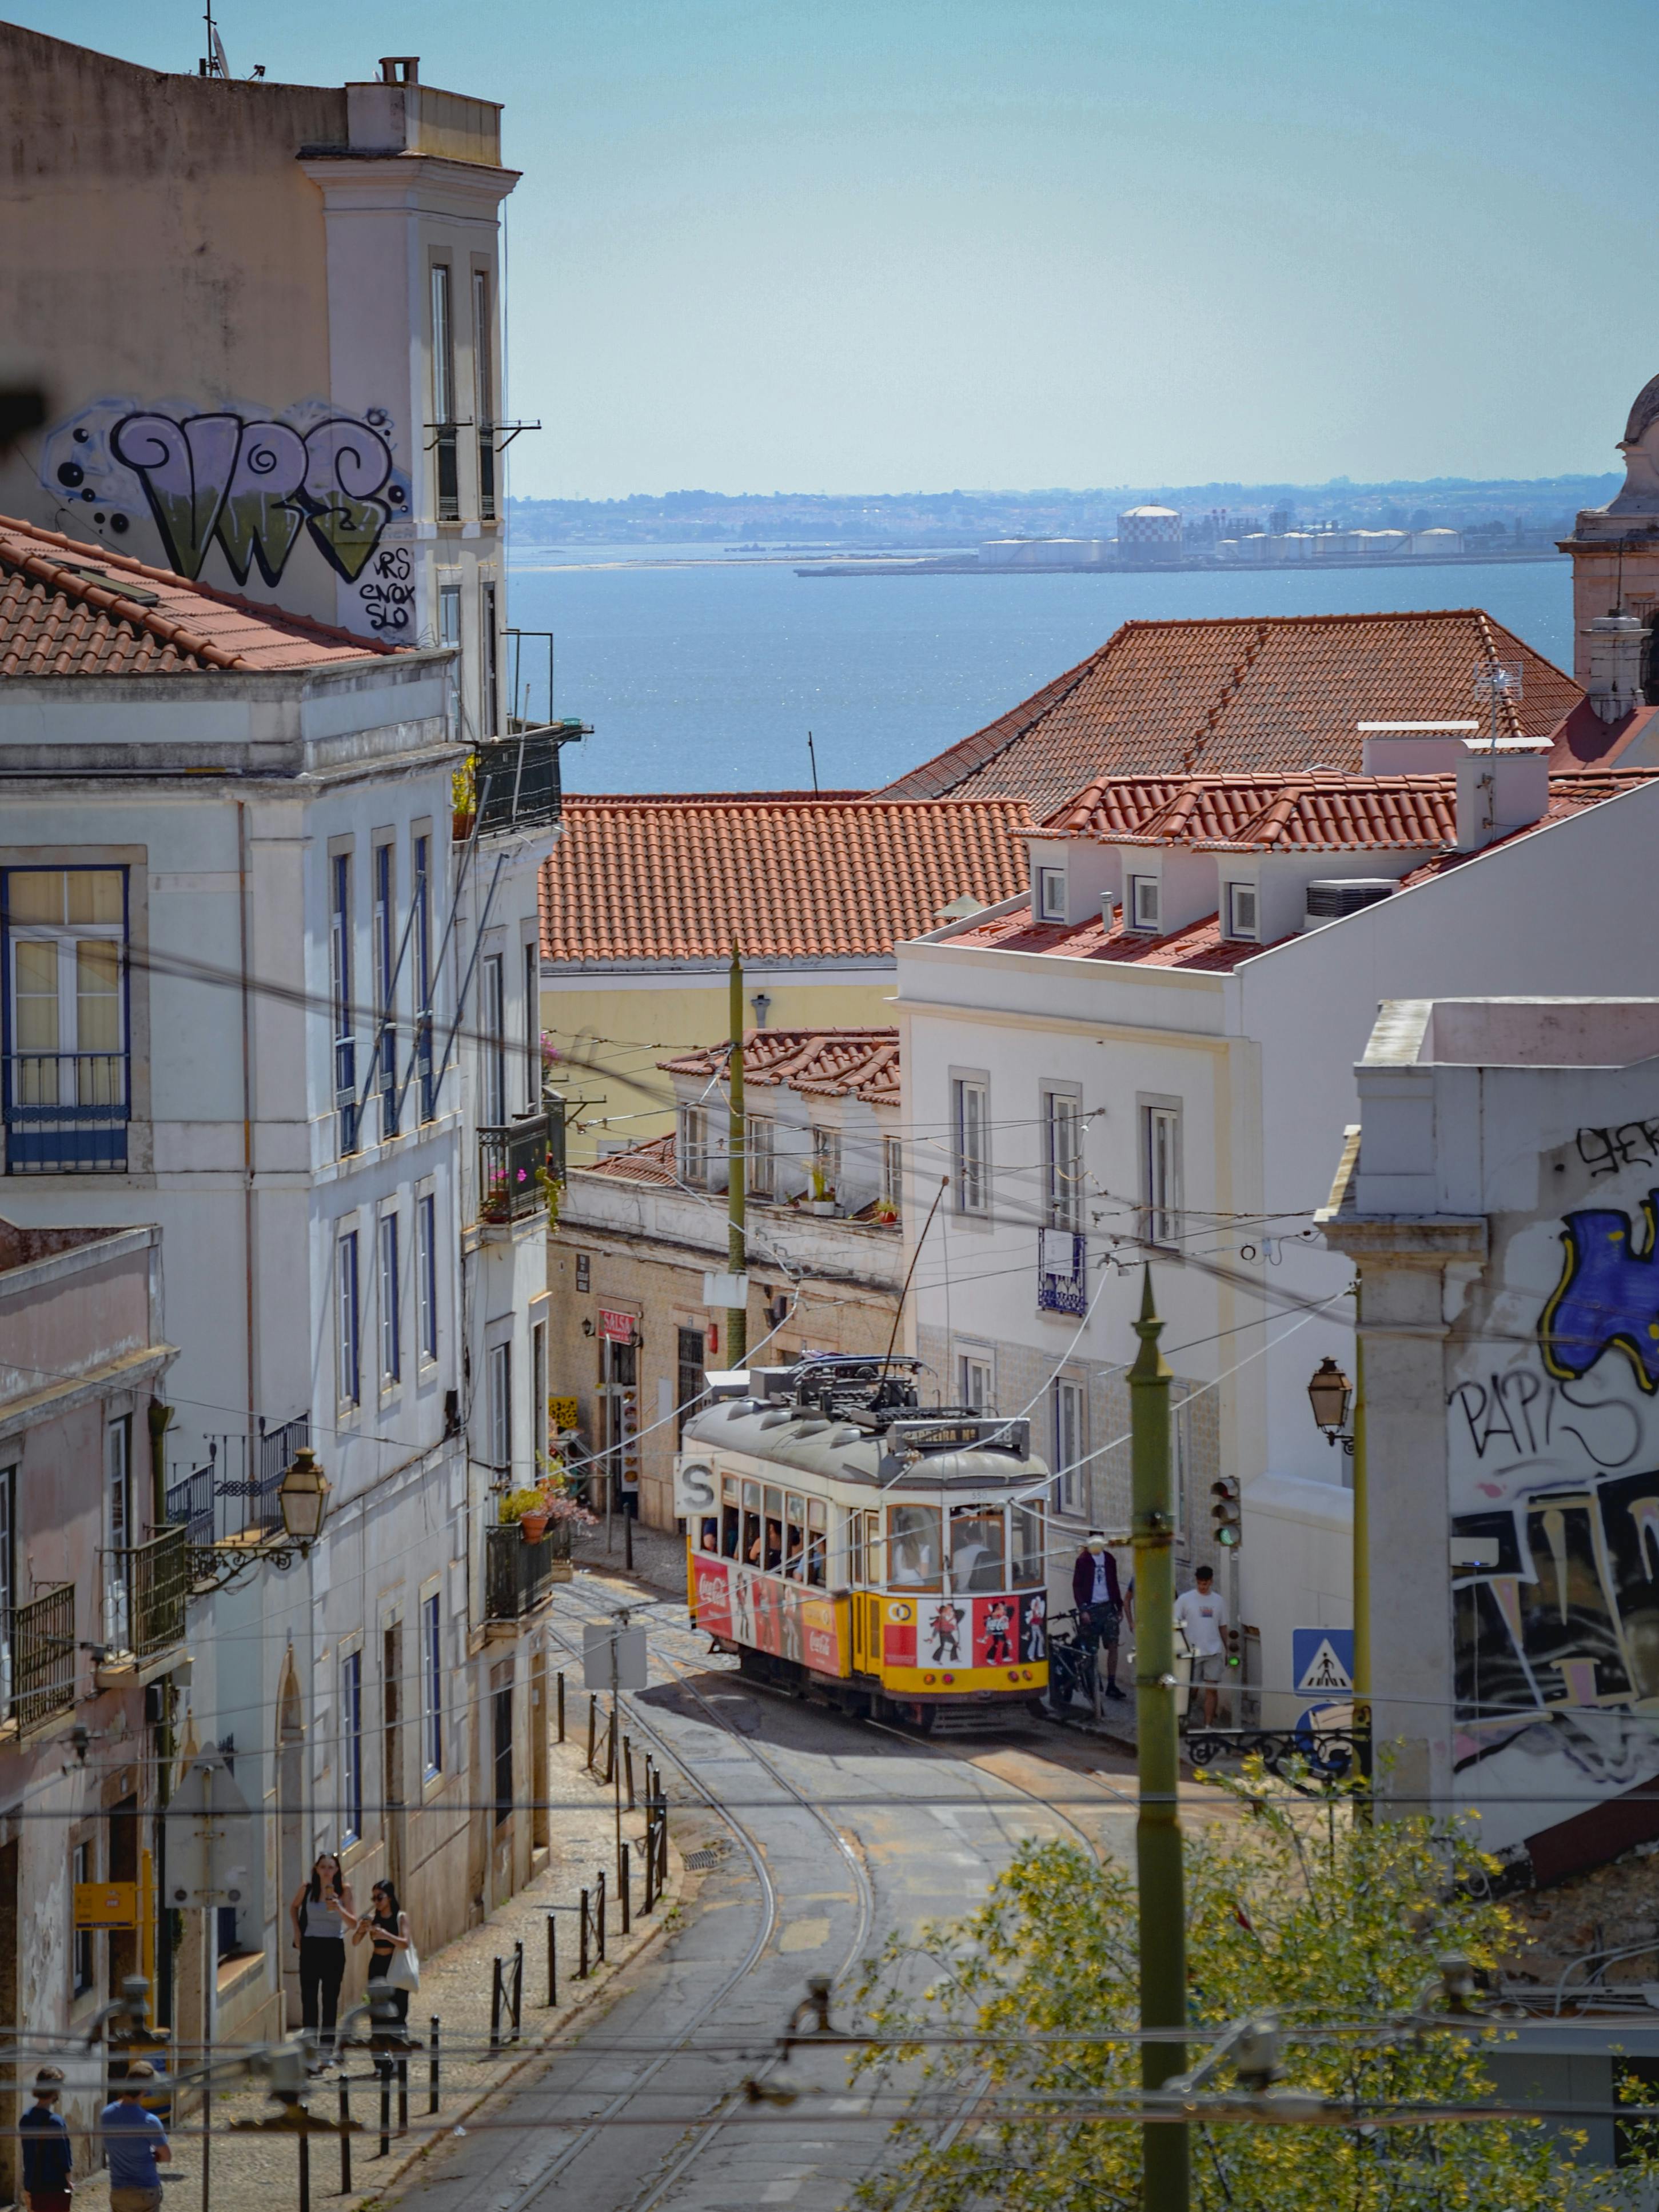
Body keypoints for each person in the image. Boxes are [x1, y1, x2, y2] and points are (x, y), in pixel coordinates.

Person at [290, 1850, 356, 2063]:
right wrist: (297, 1932)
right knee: (309, 1998)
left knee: (330, 1999)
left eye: (331, 1867)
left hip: (333, 1947)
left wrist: (338, 1908)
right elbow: (294, 1907)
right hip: (310, 1946)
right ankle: (310, 2049)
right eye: (323, 1867)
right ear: (316, 1870)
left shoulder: (344, 1891)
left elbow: (353, 1923)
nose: (327, 1872)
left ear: (337, 1870)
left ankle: (326, 2049)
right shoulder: (307, 1889)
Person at [99, 2062, 170, 2212]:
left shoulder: (106, 2114)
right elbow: (166, 2156)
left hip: (119, 2191)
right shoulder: (149, 2121)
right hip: (145, 2190)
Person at [353, 1876, 414, 2030]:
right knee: (377, 2008)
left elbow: (405, 1943)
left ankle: (399, 2046)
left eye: (380, 1897)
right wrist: (361, 1929)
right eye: (374, 1898)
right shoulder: (373, 1919)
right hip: (377, 1965)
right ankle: (379, 2048)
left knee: (399, 2008)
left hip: (395, 1964)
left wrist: (385, 1935)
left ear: (390, 1897)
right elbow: (355, 1941)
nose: (377, 1902)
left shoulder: (400, 1918)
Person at [1174, 1563, 1229, 1728]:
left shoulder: (1219, 1601)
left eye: (1205, 1584)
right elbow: (1175, 1622)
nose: (1202, 1587)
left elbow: (1223, 1626)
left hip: (1213, 1651)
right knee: (1191, 1690)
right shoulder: (1185, 1599)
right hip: (1192, 1653)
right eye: (1200, 1583)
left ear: (1211, 1582)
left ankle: (1208, 1726)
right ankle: (1183, 1718)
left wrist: (1228, 1650)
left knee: (1212, 1690)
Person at [1072, 1533, 1126, 1701]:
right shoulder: (1083, 1560)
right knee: (1091, 1649)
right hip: (1091, 1608)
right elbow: (1077, 1586)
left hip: (1108, 1606)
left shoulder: (1109, 1560)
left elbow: (1114, 1582)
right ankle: (1093, 1683)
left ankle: (1111, 1683)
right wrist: (1083, 1610)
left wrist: (1119, 1606)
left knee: (1113, 1644)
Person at [21, 2066, 73, 2212]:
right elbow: (65, 2160)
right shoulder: (56, 2122)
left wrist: (27, 2188)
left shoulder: (26, 2119)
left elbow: (28, 2156)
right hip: (55, 2189)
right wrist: (69, 2183)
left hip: (35, 2188)